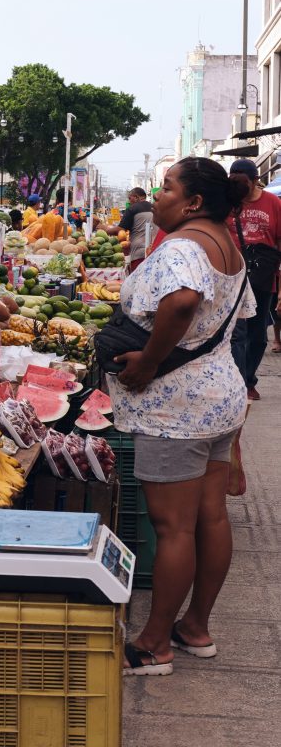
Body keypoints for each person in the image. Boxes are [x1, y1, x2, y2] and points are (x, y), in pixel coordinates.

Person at [106, 157, 255, 676]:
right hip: (219, 396)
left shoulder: (184, 247)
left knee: (172, 528)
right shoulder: (228, 249)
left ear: (193, 201)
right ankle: (195, 628)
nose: (159, 194)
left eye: (166, 187)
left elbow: (183, 303)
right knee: (209, 517)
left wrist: (147, 364)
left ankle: (153, 645)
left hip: (177, 406)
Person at [226, 158, 281, 399]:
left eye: (242, 182)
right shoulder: (227, 201)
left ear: (255, 181)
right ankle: (239, 382)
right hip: (231, 277)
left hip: (262, 278)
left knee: (258, 337)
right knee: (236, 333)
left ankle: (248, 379)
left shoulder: (273, 203)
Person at [103, 187, 152, 271]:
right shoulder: (155, 208)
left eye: (130, 198)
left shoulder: (132, 209)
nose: (129, 202)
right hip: (153, 251)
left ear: (136, 197)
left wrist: (105, 229)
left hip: (138, 253)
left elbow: (120, 230)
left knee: (137, 281)